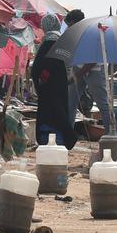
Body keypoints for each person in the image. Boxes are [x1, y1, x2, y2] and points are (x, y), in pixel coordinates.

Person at [32, 14, 78, 148]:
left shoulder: (49, 41)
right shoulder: (61, 40)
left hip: (48, 86)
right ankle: (63, 138)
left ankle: (55, 139)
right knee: (60, 110)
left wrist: (40, 79)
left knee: (51, 112)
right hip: (60, 84)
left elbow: (42, 65)